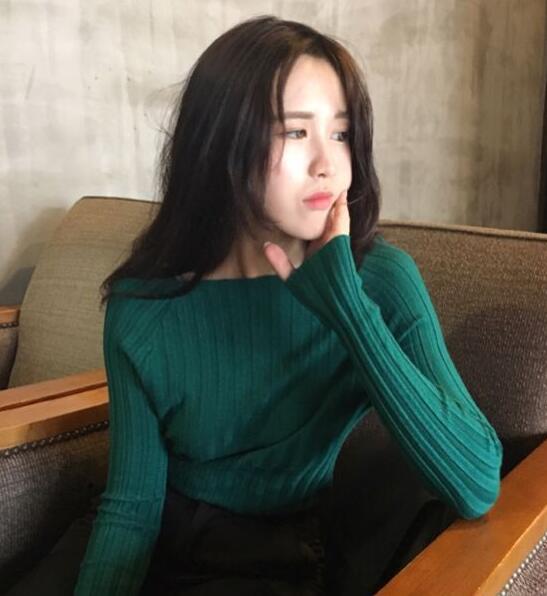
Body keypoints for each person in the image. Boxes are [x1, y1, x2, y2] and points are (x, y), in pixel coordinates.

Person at [6, 14, 503, 596]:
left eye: (342, 134)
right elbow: (132, 508)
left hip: (283, 554)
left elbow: (475, 483)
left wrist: (345, 305)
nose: (327, 163)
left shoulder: (381, 282)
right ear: (221, 143)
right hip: (161, 537)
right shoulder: (144, 305)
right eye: (295, 133)